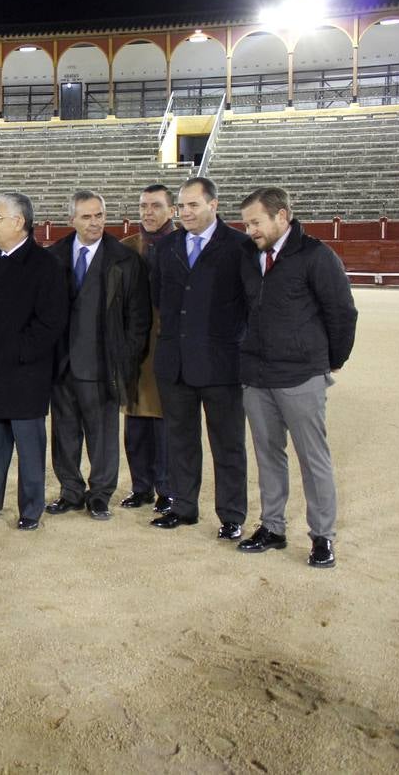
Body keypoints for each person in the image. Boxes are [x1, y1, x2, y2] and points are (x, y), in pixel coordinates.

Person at [236, 187, 357, 568]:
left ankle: (322, 537)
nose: (250, 230)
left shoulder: (317, 256)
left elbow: (342, 313)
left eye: (256, 222)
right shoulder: (249, 257)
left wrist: (329, 361)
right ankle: (272, 528)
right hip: (257, 376)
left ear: (282, 216)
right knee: (268, 456)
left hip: (301, 376)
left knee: (312, 459)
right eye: (246, 224)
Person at [148, 176, 254, 539]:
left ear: (214, 205)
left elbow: (251, 304)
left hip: (222, 364)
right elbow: (160, 299)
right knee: (180, 440)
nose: (185, 212)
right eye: (181, 206)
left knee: (228, 443)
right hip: (175, 363)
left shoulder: (240, 246)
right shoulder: (166, 247)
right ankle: (183, 507)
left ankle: (232, 515)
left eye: (193, 205)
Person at [0, 192, 68, 530]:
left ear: (18, 222)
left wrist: (19, 353)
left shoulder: (46, 263)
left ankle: (31, 510)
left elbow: (51, 321)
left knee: (29, 446)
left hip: (23, 373)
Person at [44, 190, 150, 521]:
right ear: (71, 219)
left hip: (104, 364)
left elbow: (138, 318)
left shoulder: (125, 259)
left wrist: (123, 357)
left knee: (103, 434)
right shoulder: (53, 256)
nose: (94, 222)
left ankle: (100, 494)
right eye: (87, 216)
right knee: (64, 432)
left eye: (99, 215)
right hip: (62, 364)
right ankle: (71, 492)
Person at [119, 184, 177, 512]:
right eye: (143, 206)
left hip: (169, 346)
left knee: (165, 420)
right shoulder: (126, 248)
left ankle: (166, 488)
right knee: (136, 419)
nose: (148, 212)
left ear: (171, 211)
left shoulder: (183, 245)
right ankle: (141, 486)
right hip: (134, 347)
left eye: (155, 206)